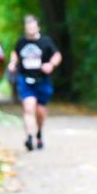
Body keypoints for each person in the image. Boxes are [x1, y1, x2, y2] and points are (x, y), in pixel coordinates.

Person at [8, 14, 62, 151]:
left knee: (40, 111)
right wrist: (13, 63)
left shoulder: (46, 41)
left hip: (42, 80)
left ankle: (39, 133)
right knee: (28, 107)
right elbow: (15, 53)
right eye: (28, 26)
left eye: (33, 26)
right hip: (25, 79)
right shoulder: (21, 42)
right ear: (25, 28)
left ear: (37, 27)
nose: (30, 29)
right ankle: (29, 137)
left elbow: (57, 55)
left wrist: (51, 64)